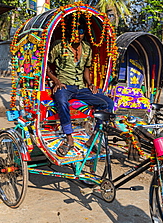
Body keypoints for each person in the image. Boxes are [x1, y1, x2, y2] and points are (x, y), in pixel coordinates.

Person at [47, 19, 114, 157]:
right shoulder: (59, 46)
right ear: (70, 33)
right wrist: (56, 81)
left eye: (81, 32)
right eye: (75, 32)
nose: (78, 35)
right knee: (62, 102)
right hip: (64, 85)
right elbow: (46, 67)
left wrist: (90, 83)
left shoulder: (87, 48)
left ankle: (92, 138)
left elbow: (86, 69)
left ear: (84, 34)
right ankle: (69, 138)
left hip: (81, 87)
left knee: (108, 103)